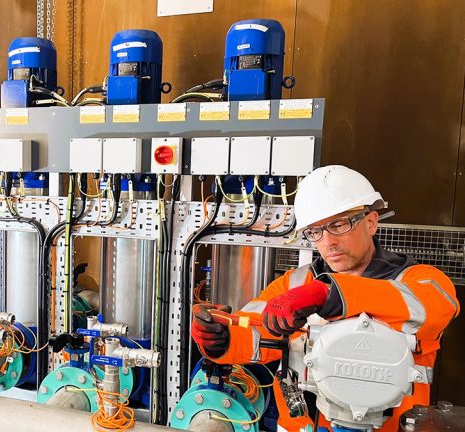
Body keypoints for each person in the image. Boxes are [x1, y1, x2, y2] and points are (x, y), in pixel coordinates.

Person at [191, 165, 459, 431]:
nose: (328, 241)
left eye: (339, 225)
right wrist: (221, 338)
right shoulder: (296, 283)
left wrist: (332, 293)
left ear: (371, 222)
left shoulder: (417, 280)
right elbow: (255, 328)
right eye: (315, 231)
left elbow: (436, 309)